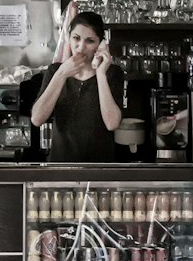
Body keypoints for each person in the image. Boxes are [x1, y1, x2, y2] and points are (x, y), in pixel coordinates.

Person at [31, 10, 124, 162]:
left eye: (90, 41)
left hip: (100, 168)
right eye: (76, 38)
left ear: (100, 43)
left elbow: (112, 124)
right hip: (60, 167)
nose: (80, 47)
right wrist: (62, 74)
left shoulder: (112, 73)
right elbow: (37, 119)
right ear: (68, 38)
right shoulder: (55, 71)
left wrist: (100, 73)